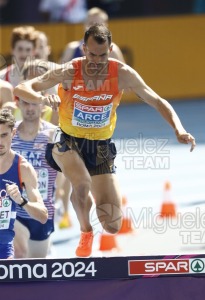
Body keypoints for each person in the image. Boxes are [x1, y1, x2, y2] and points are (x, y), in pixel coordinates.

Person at [14, 24, 196, 258]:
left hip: (99, 146)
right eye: (91, 54)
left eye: (102, 55)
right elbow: (23, 87)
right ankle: (85, 230)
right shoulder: (70, 71)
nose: (96, 61)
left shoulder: (122, 74)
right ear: (83, 49)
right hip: (67, 140)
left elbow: (157, 100)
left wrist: (178, 129)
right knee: (80, 185)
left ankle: (104, 192)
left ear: (110, 49)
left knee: (112, 224)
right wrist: (41, 98)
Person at [11, 77, 58, 258]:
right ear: (18, 105)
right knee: (20, 253)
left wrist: (62, 193)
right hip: (14, 209)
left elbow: (66, 169)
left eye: (34, 103)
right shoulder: (9, 134)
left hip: (42, 211)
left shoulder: (53, 134)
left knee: (36, 264)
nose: (30, 108)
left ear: (42, 106)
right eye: (26, 103)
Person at [0, 108, 48, 259]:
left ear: (13, 133)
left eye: (4, 135)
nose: (0, 141)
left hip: (4, 248)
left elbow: (42, 216)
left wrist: (22, 201)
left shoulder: (23, 168)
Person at [60, 7, 125, 63]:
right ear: (84, 25)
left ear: (106, 26)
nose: (94, 27)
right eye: (91, 23)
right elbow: (59, 76)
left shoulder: (113, 51)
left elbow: (124, 76)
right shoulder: (72, 49)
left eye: (98, 24)